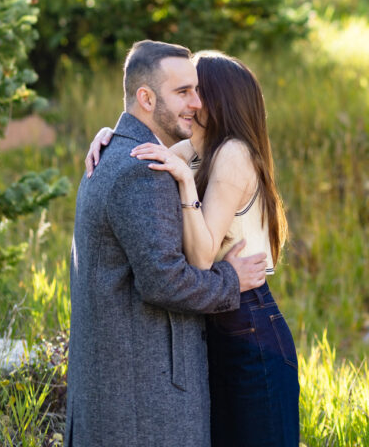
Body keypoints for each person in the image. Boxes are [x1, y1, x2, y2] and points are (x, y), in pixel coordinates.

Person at [86, 49, 300, 447]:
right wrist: (110, 136)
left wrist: (186, 185)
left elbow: (201, 259)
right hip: (219, 321)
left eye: (198, 91)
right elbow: (141, 150)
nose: (192, 101)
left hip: (248, 328)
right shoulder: (199, 149)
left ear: (217, 100)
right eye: (186, 91)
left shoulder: (233, 154)